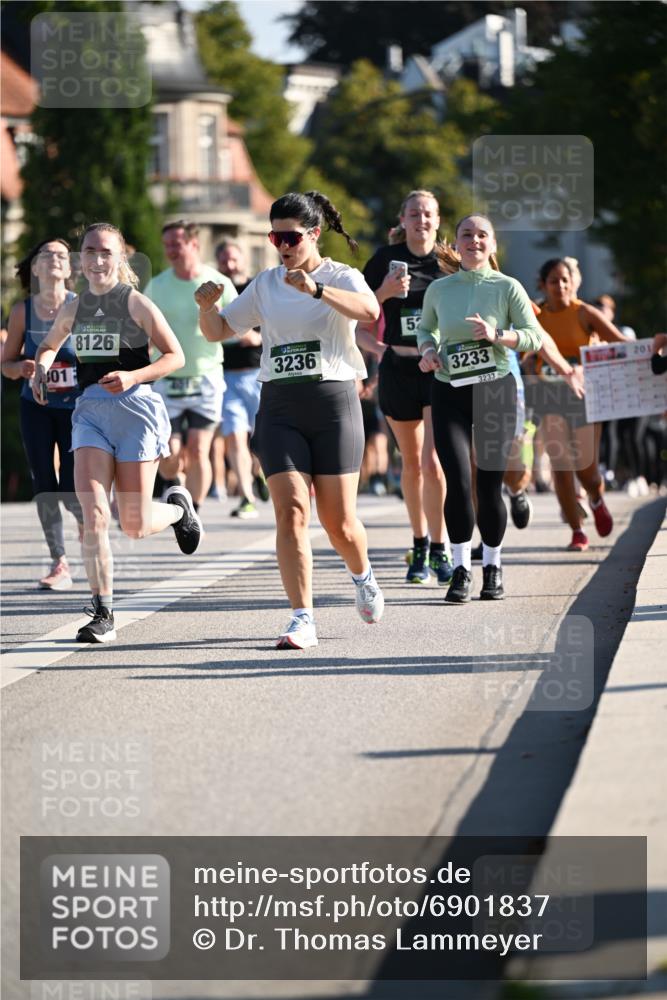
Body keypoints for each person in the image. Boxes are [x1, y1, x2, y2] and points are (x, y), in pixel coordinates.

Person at [196, 190, 385, 649]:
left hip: (333, 402)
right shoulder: (264, 283)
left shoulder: (342, 275)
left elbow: (372, 312)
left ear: (314, 234)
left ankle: (362, 575)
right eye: (274, 235)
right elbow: (220, 331)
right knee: (292, 511)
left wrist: (317, 289)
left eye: (290, 236)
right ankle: (302, 617)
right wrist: (206, 307)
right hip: (279, 405)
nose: (282, 244)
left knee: (338, 521)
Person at [32, 222, 202, 643]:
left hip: (135, 409)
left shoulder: (136, 303)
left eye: (105, 252)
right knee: (94, 515)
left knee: (135, 524)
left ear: (119, 258)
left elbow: (174, 355)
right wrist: (41, 365)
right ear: (81, 259)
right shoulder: (75, 307)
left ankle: (179, 509)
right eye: (89, 251)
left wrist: (133, 376)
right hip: (89, 411)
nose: (96, 259)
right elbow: (50, 343)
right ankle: (102, 611)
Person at [417, 214, 543, 603]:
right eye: (466, 235)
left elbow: (534, 338)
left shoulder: (508, 287)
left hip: (494, 391)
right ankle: (460, 571)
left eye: (482, 235)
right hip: (449, 390)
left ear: (493, 243)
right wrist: (427, 352)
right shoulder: (440, 289)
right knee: (457, 482)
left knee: (489, 485)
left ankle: (492, 566)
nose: (474, 241)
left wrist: (497, 335)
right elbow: (426, 329)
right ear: (456, 243)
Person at [357, 190, 453, 586]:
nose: (421, 220)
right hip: (397, 367)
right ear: (403, 219)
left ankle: (440, 544)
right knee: (410, 463)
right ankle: (418, 543)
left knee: (433, 462)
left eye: (428, 213)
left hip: (437, 368)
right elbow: (357, 320)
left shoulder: (450, 263)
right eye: (414, 213)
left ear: (437, 219)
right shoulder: (382, 261)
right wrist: (385, 296)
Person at [2, 239, 83, 590]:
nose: (54, 259)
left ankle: (89, 524)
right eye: (45, 254)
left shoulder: (81, 307)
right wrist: (21, 368)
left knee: (70, 485)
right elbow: (5, 364)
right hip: (35, 407)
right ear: (34, 268)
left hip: (76, 408)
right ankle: (59, 561)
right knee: (44, 484)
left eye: (61, 255)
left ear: (69, 269)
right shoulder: (23, 311)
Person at [534, 258, 627, 551]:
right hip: (549, 398)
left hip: (584, 397)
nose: (560, 286)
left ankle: (596, 499)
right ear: (543, 285)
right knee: (561, 468)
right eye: (553, 281)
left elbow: (622, 343)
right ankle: (577, 530)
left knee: (586, 469)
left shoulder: (585, 312)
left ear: (573, 283)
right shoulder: (535, 315)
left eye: (564, 280)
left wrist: (653, 351)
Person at [145, 221, 237, 510]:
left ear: (194, 244)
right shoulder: (157, 286)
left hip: (206, 376)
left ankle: (193, 512)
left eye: (177, 243)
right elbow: (142, 329)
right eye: (167, 244)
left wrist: (223, 320)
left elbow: (239, 324)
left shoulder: (217, 282)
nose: (171, 250)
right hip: (167, 377)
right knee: (169, 455)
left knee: (199, 449)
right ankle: (175, 484)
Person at [215, 240, 267, 518]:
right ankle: (247, 497)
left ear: (244, 260)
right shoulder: (215, 292)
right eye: (224, 261)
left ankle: (259, 475)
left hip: (258, 373)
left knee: (262, 440)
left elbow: (273, 324)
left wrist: (254, 336)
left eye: (234, 259)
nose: (230, 265)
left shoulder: (257, 287)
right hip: (227, 377)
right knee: (235, 438)